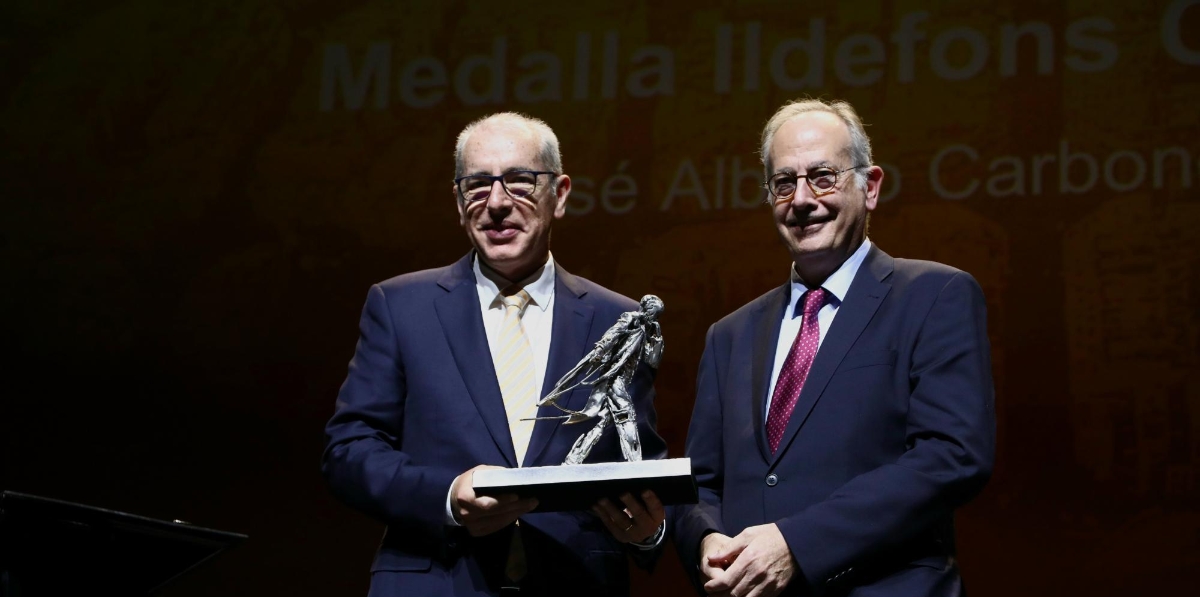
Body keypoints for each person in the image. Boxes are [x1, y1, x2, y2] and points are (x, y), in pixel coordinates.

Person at [323, 112, 668, 597]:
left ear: (560, 194)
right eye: (478, 185)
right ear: (458, 201)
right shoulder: (400, 307)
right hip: (437, 580)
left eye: (520, 181)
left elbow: (640, 460)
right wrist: (446, 496)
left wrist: (650, 533)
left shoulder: (619, 319)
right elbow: (349, 450)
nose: (498, 203)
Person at [673, 99, 995, 597]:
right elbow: (700, 484)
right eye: (784, 183)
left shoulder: (934, 296)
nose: (802, 199)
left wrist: (796, 544)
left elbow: (951, 457)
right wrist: (705, 539)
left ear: (871, 187)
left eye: (823, 177)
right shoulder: (729, 335)